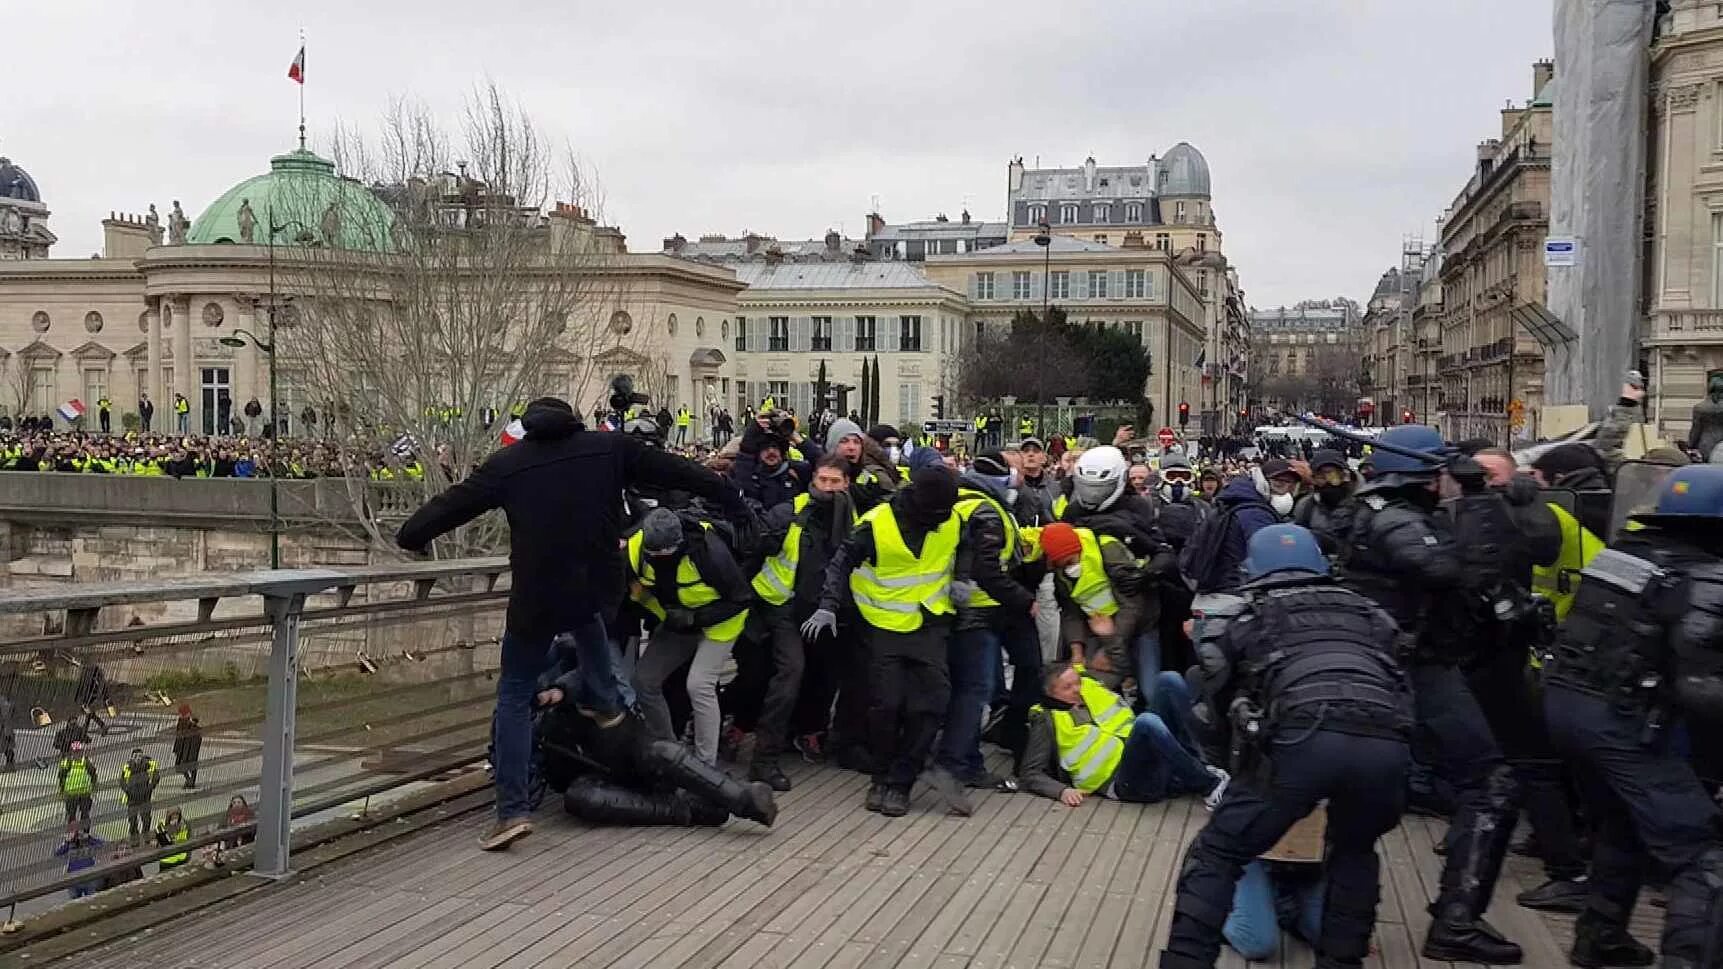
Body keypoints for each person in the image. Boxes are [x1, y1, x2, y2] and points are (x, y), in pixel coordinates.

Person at [396, 396, 751, 850]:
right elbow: (678, 471)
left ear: (528, 427)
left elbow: (452, 504)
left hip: (536, 600)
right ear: (575, 421)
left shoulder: (509, 464)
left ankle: (512, 812)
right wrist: (732, 500)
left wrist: (412, 536)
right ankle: (604, 705)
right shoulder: (608, 449)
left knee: (514, 695)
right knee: (591, 639)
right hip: (593, 594)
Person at [1162, 524, 1410, 969]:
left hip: (1302, 742)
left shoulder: (1247, 617)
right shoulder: (1372, 613)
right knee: (1356, 852)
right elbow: (1402, 681)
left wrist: (1235, 763)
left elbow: (1212, 705)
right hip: (1384, 746)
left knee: (1218, 852)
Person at [1338, 424, 1520, 963]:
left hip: (1396, 662)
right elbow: (1443, 569)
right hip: (1411, 667)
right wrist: (1479, 503)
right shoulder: (1396, 517)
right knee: (1491, 783)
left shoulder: (1379, 509)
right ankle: (1456, 920)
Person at [1543, 465, 1723, 969]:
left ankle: (1600, 938)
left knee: (1623, 823)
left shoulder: (1623, 554)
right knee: (1699, 851)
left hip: (1564, 703)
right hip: (1619, 719)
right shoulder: (1705, 575)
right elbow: (1701, 684)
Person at [804, 467, 972, 817]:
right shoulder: (877, 523)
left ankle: (901, 781)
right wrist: (828, 606)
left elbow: (965, 544)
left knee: (932, 704)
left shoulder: (950, 516)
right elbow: (840, 563)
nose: (940, 520)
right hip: (881, 624)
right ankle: (881, 778)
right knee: (886, 705)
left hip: (929, 621)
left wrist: (962, 578)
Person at [536, 632, 777, 827]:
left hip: (620, 743)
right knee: (582, 798)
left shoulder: (572, 649)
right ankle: (688, 808)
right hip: (589, 777)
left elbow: (594, 675)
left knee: (659, 751)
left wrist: (560, 691)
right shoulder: (522, 707)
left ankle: (742, 797)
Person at [746, 457, 855, 791]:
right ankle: (764, 759)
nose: (828, 487)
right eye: (823, 480)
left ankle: (812, 732)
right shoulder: (789, 512)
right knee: (789, 673)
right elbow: (754, 549)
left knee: (829, 673)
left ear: (846, 484)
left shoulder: (853, 519)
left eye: (835, 482)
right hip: (782, 608)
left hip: (825, 610)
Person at [939, 451, 1039, 786]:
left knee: (964, 688)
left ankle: (969, 761)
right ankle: (955, 764)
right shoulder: (987, 510)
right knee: (973, 690)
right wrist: (1024, 599)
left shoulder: (959, 501)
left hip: (954, 607)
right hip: (979, 613)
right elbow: (988, 570)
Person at [625, 507, 751, 765]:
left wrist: (696, 618)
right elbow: (634, 588)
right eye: (654, 553)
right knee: (643, 681)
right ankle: (672, 754)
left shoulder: (708, 553)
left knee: (699, 684)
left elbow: (741, 599)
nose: (660, 557)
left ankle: (706, 766)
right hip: (677, 619)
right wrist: (663, 615)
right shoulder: (635, 547)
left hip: (721, 622)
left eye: (666, 552)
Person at [1020, 660, 1224, 809]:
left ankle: (1203, 766)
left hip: (1146, 755)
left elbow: (1119, 665)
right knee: (1147, 722)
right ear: (1051, 694)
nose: (1077, 689)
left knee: (1168, 679)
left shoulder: (1089, 686)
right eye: (1067, 687)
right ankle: (1209, 787)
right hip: (1125, 782)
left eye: (1077, 682)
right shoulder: (1046, 718)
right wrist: (1061, 791)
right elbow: (1030, 773)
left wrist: (1109, 639)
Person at [1290, 449, 1353, 553]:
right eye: (1321, 477)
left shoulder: (1361, 503)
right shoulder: (1306, 506)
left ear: (1345, 475)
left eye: (1334, 475)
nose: (1328, 481)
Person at [120, 747, 161, 846]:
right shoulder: (127, 766)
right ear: (132, 757)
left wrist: (150, 788)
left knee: (146, 819)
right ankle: (135, 839)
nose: (138, 758)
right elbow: (122, 781)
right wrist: (127, 790)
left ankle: (146, 837)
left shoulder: (149, 765)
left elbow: (156, 777)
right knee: (132, 820)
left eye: (140, 756)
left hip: (145, 797)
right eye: (136, 756)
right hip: (132, 798)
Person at [54, 824, 106, 899]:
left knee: (92, 899)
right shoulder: (69, 844)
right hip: (74, 878)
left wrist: (89, 838)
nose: (77, 836)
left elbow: (102, 844)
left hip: (89, 875)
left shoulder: (88, 841)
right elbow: (57, 853)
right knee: (75, 901)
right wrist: (67, 842)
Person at [59, 740, 97, 829]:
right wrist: (62, 789)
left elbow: (93, 774)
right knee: (71, 815)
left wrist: (93, 786)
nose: (77, 754)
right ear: (71, 752)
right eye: (75, 751)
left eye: (79, 751)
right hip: (71, 793)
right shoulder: (67, 762)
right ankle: (72, 835)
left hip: (84, 792)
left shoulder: (86, 761)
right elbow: (61, 776)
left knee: (85, 814)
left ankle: (85, 834)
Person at [171, 706, 202, 788]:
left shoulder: (191, 727)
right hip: (183, 749)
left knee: (189, 766)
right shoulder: (181, 724)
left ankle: (191, 781)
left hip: (189, 750)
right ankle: (190, 781)